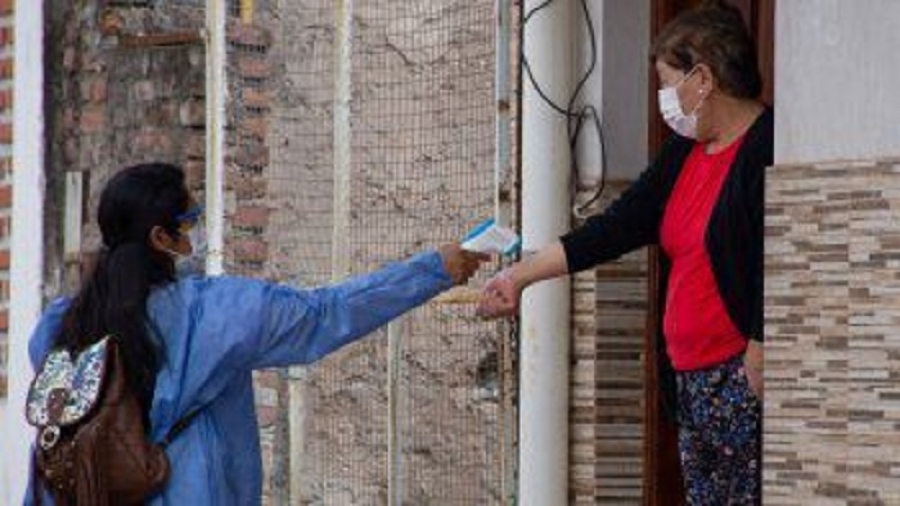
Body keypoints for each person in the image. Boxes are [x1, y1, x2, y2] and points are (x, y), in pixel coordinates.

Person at [25, 162, 487, 505]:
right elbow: (326, 315)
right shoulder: (213, 313)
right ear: (161, 239)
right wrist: (434, 271)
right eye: (190, 222)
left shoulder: (59, 325)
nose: (197, 234)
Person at [477, 1, 770, 504]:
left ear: (703, 79)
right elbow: (614, 228)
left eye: (668, 83)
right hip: (690, 383)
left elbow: (773, 262)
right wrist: (520, 276)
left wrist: (759, 352)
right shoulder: (684, 152)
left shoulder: (765, 147)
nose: (664, 100)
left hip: (740, 383)